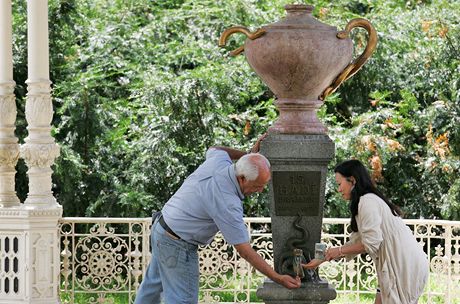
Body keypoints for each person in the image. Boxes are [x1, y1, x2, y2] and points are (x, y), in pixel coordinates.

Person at [134, 140, 301, 304]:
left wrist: (247, 156)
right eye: (258, 186)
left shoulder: (219, 161)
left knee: (150, 293)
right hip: (177, 245)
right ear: (242, 178)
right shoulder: (227, 201)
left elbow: (215, 148)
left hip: (162, 230)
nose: (260, 190)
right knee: (182, 300)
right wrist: (277, 277)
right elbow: (244, 251)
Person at [303, 159, 428, 304]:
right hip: (393, 265)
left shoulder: (367, 201)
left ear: (352, 180)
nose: (338, 189)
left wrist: (338, 251)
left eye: (339, 184)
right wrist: (322, 258)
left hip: (403, 265)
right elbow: (357, 242)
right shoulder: (364, 202)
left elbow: (371, 243)